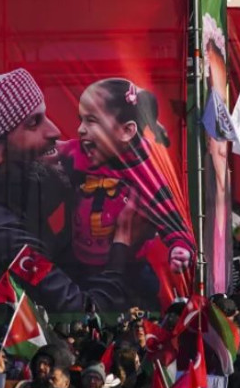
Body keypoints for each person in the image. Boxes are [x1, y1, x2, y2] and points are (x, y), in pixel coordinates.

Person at [0, 69, 144, 313]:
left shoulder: (6, 206)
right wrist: (122, 239)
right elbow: (84, 312)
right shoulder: (1, 234)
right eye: (34, 123)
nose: (54, 131)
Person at [57, 78, 195, 279]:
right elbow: (55, 150)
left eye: (91, 120)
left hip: (130, 268)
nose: (81, 129)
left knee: (145, 286)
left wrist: (180, 247)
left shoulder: (147, 172)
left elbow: (171, 217)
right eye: (81, 119)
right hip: (78, 261)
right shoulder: (80, 152)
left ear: (126, 131)